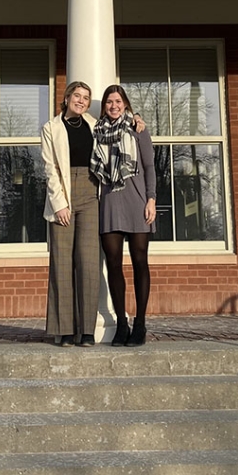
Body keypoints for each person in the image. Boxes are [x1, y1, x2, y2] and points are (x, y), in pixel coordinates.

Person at [91, 84, 156, 347]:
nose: (113, 106)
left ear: (125, 104)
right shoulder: (96, 132)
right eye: (109, 102)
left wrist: (151, 199)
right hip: (110, 202)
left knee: (140, 260)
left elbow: (150, 166)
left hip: (138, 201)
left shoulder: (138, 129)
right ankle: (121, 324)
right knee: (114, 264)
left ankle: (140, 323)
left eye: (118, 101)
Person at [40, 80, 101, 347]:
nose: (81, 101)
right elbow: (49, 168)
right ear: (66, 98)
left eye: (86, 98)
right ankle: (64, 330)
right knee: (62, 265)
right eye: (77, 96)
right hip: (62, 194)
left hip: (90, 193)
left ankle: (87, 330)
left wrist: (137, 119)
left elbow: (119, 128)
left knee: (88, 263)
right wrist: (59, 203)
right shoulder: (51, 128)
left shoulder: (94, 125)